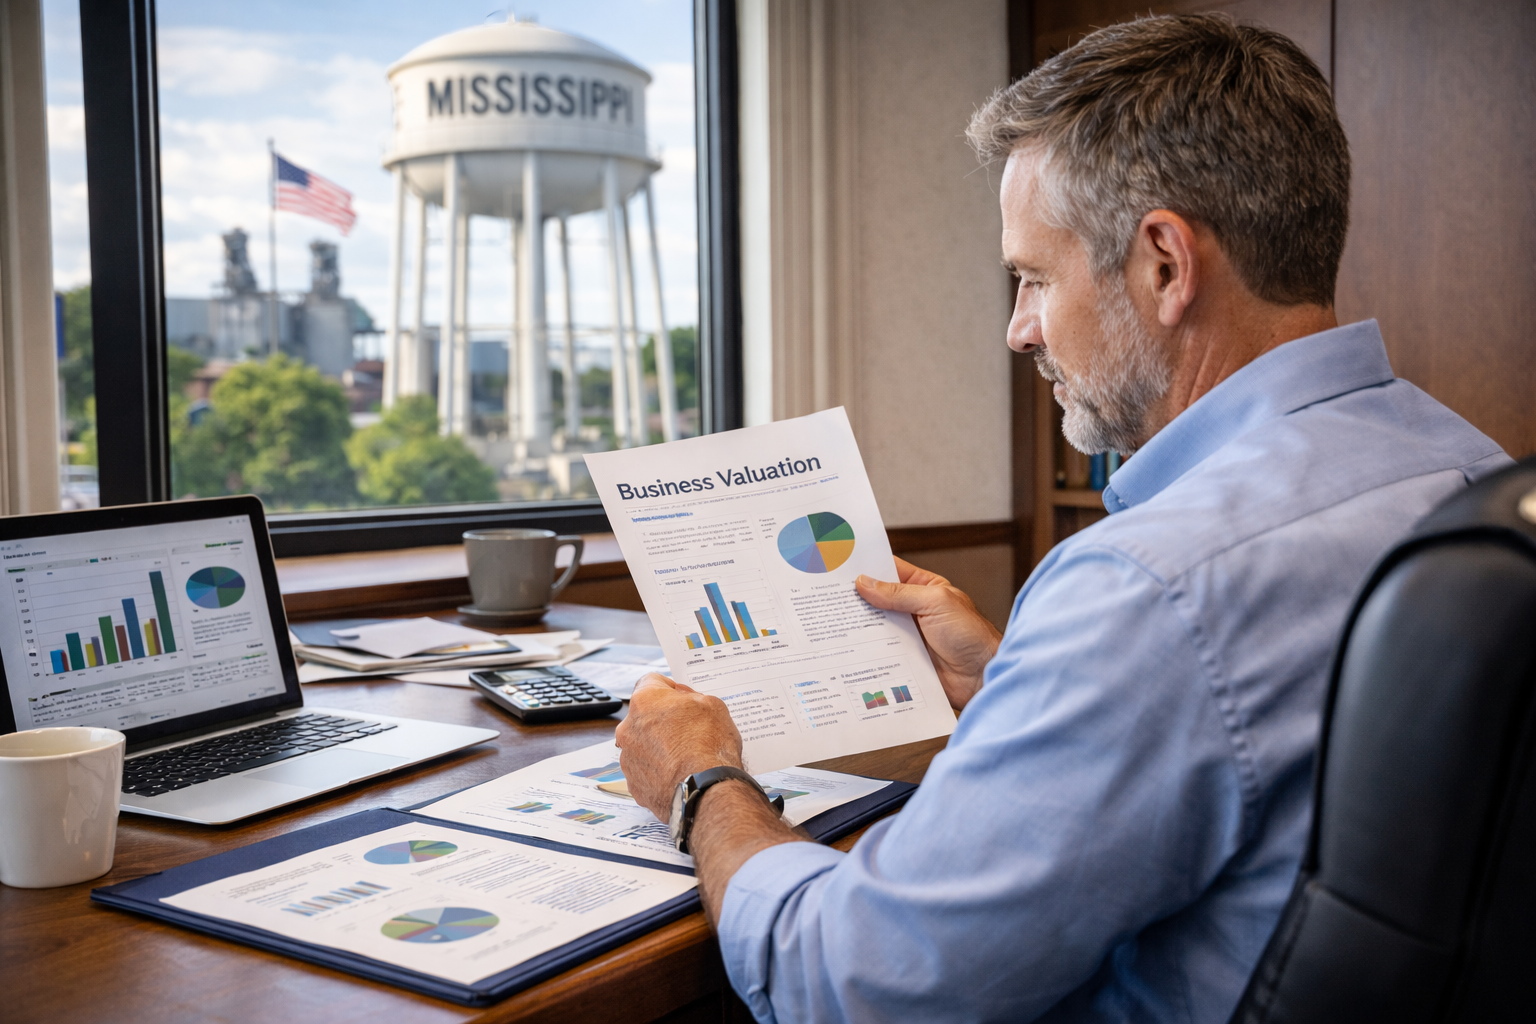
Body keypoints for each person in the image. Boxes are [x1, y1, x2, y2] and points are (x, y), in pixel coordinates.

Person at [615, 14, 1511, 1022]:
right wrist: (1014, 678)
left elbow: (854, 984)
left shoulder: (1148, 586)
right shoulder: (1477, 472)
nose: (1019, 328)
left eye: (1035, 278)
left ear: (1166, 265)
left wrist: (700, 782)